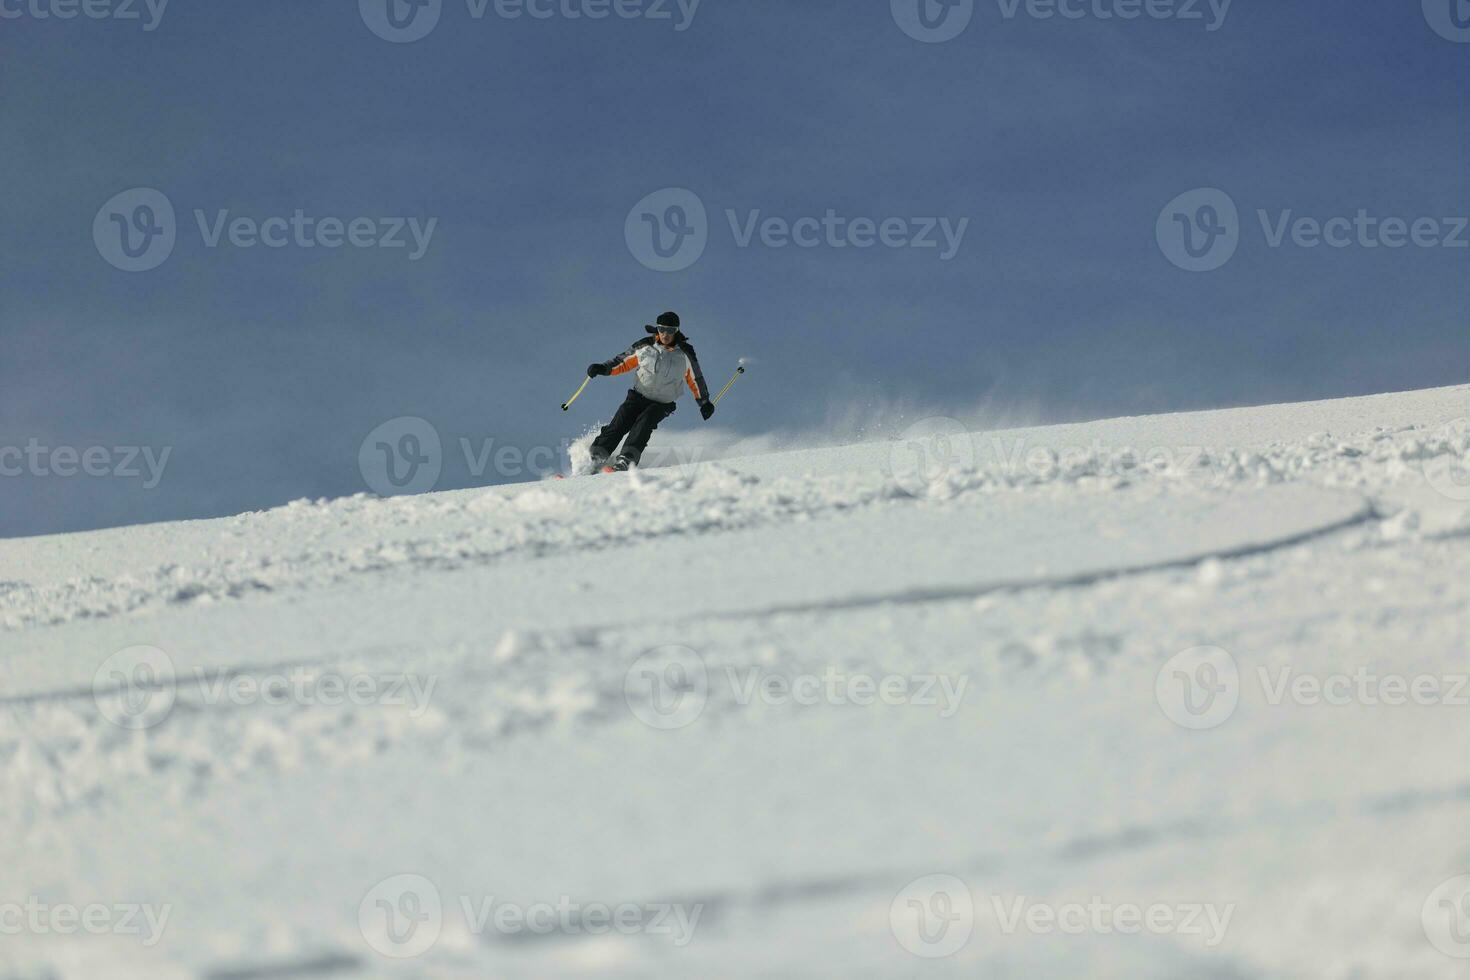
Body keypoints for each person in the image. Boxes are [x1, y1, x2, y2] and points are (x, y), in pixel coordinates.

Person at [584, 311, 714, 471]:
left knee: (644, 423)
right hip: (638, 396)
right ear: (657, 329)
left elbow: (695, 379)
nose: (666, 334)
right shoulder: (645, 346)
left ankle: (626, 460)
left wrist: (704, 402)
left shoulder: (685, 353)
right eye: (662, 329)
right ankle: (595, 458)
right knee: (619, 423)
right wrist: (603, 368)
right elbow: (622, 361)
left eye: (671, 330)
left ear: (677, 331)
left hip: (661, 403)